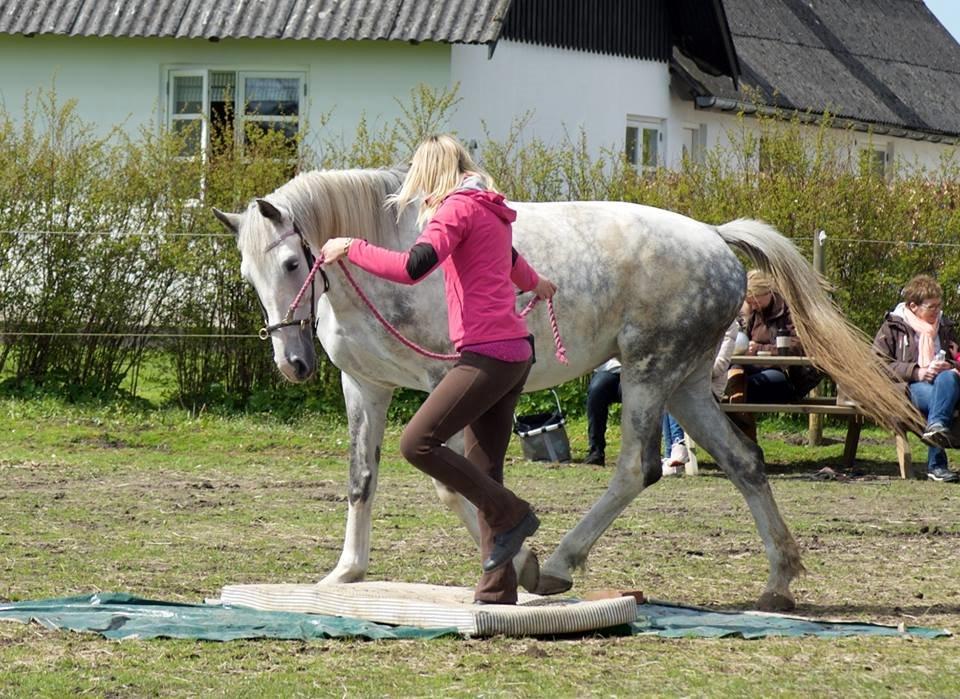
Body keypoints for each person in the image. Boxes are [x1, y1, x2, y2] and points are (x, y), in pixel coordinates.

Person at [320, 134, 558, 603]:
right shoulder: (489, 207)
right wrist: (539, 284)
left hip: (487, 356)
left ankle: (511, 512)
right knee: (484, 469)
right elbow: (509, 261)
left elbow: (413, 266)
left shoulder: (456, 209)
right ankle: (496, 592)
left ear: (430, 172)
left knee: (417, 443)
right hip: (514, 354)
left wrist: (353, 247)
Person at [873, 274, 960, 483]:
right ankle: (936, 464)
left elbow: (958, 357)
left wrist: (951, 365)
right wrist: (917, 372)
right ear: (913, 306)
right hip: (912, 386)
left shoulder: (945, 327)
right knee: (939, 402)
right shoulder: (894, 326)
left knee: (947, 380)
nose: (937, 311)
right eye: (931, 307)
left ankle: (936, 432)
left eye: (939, 306)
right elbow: (877, 364)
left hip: (946, 384)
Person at [727, 270, 821, 441]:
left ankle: (745, 439)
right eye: (749, 302)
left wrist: (760, 348)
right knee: (735, 374)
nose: (753, 305)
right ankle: (745, 437)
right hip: (754, 369)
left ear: (767, 292)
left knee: (742, 390)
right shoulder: (754, 313)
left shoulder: (790, 312)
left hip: (785, 374)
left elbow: (797, 346)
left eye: (755, 300)